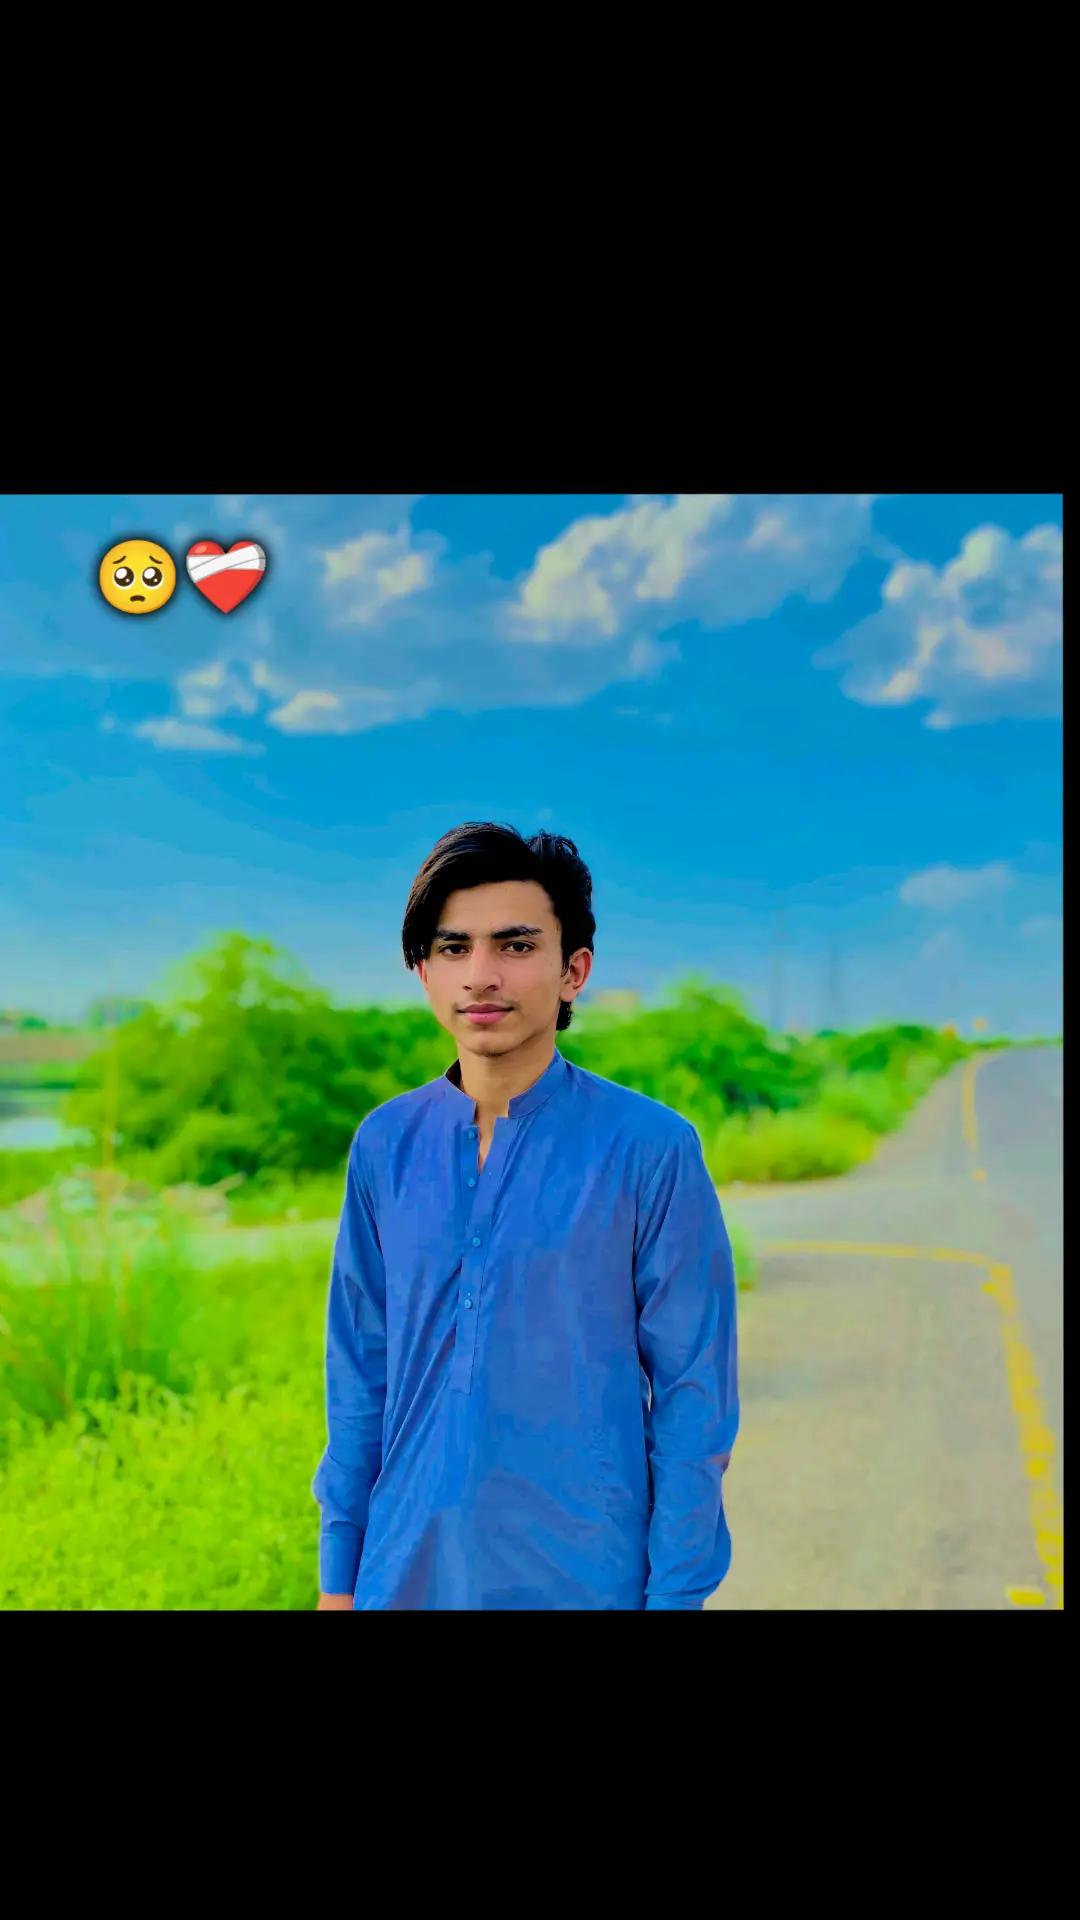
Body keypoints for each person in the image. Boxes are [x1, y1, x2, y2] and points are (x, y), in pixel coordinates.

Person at [312, 821, 739, 1610]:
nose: (481, 976)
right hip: (403, 1574)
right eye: (453, 948)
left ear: (574, 970)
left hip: (587, 1577)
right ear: (423, 971)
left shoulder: (649, 1149)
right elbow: (358, 1377)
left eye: (515, 946)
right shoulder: (385, 1144)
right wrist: (339, 1578)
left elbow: (694, 1397)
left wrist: (677, 1596)